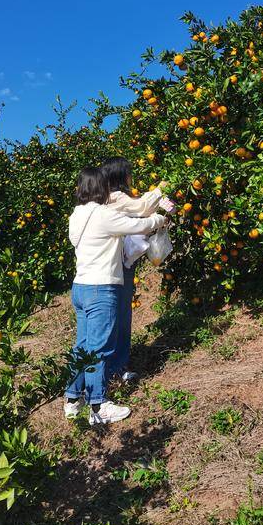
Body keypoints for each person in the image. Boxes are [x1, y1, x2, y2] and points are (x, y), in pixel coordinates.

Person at [65, 167, 167, 425]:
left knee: (82, 346)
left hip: (80, 287)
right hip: (101, 288)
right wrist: (160, 218)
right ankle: (98, 406)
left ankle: (72, 399)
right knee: (100, 348)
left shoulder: (76, 215)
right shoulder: (103, 214)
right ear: (101, 187)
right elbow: (139, 224)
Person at [101, 157, 175, 383]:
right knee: (118, 316)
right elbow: (142, 207)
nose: (131, 177)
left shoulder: (110, 198)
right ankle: (113, 368)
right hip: (117, 265)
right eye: (128, 173)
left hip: (121, 264)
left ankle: (117, 366)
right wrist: (161, 189)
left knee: (120, 315)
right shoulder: (115, 197)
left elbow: (139, 213)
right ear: (120, 175)